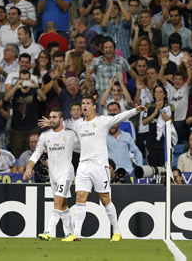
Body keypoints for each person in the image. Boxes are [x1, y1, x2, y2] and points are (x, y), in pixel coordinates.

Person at [53, 96, 146, 242]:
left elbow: (120, 117)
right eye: (83, 103)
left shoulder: (102, 121)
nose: (84, 106)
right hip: (83, 165)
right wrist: (51, 123)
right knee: (80, 197)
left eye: (87, 103)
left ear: (94, 106)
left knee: (105, 199)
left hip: (99, 166)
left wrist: (135, 110)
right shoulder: (78, 124)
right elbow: (62, 125)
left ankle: (117, 231)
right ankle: (76, 234)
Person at [24, 108, 75, 241]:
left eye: (54, 117)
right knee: (63, 204)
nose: (51, 119)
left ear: (61, 119)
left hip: (66, 173)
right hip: (53, 175)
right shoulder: (45, 135)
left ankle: (48, 232)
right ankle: (71, 233)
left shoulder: (70, 134)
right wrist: (29, 165)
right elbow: (37, 152)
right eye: (50, 117)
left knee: (57, 201)